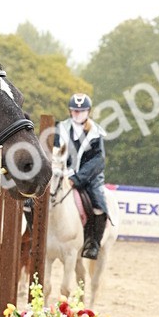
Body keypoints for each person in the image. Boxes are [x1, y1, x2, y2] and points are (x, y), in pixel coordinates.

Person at [55, 92, 109, 259]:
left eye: (82, 111)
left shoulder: (95, 132)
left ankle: (93, 243)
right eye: (75, 111)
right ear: (70, 111)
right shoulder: (61, 128)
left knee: (99, 204)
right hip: (62, 174)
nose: (78, 114)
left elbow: (98, 160)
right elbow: (54, 151)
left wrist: (77, 179)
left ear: (88, 112)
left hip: (88, 178)